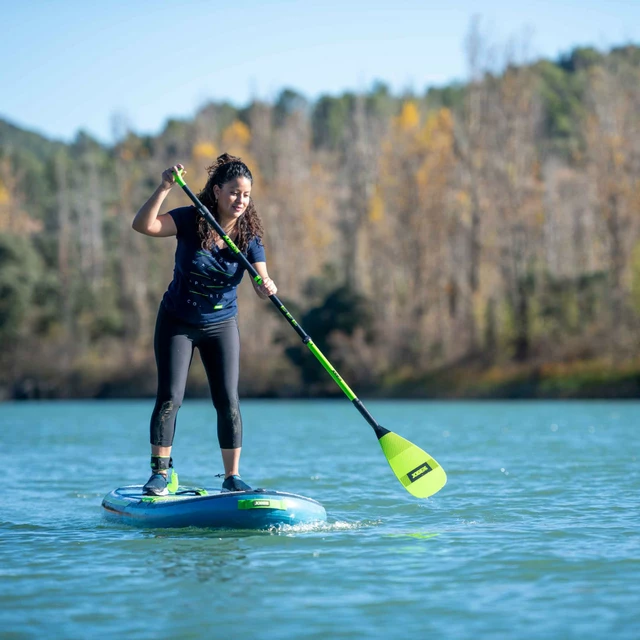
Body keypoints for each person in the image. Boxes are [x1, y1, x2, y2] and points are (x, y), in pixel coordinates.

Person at [132, 153, 277, 496]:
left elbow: (261, 283)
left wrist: (266, 285)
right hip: (177, 321)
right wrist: (164, 187)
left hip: (221, 324)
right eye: (233, 192)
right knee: (171, 397)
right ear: (216, 191)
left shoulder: (250, 235)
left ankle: (232, 477)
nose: (240, 200)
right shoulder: (189, 219)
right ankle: (161, 474)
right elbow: (144, 225)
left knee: (228, 400)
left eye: (246, 194)